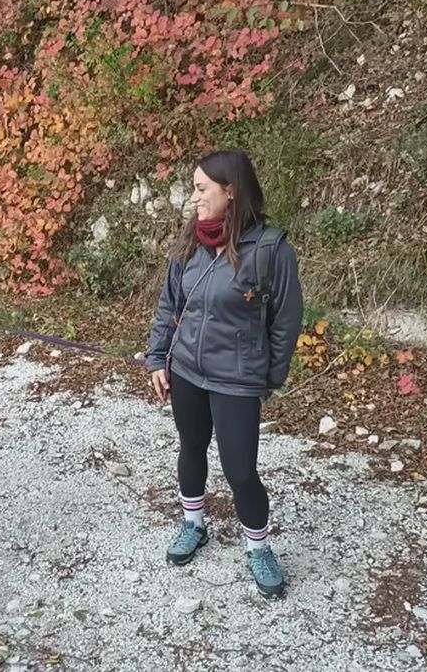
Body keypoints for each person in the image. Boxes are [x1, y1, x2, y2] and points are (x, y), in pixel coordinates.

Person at [144, 149, 303, 598]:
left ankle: (259, 548)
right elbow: (169, 305)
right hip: (187, 372)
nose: (194, 198)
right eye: (193, 189)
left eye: (201, 189)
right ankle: (193, 524)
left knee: (241, 471)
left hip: (237, 379)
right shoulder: (191, 242)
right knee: (191, 448)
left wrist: (268, 378)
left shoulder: (271, 250)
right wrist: (157, 358)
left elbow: (286, 321)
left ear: (230, 191)